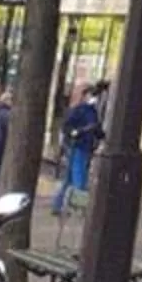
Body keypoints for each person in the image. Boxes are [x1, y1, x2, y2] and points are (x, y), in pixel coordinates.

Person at [53, 81, 107, 219]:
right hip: (77, 146)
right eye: (91, 94)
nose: (93, 97)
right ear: (84, 95)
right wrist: (75, 133)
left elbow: (96, 128)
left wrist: (102, 136)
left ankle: (58, 205)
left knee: (70, 179)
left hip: (84, 146)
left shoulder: (91, 111)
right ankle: (79, 208)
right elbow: (67, 127)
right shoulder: (79, 110)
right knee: (79, 178)